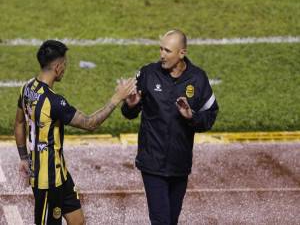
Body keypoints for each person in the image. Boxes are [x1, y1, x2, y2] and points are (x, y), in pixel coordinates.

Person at [14, 40, 136, 225]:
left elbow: (19, 122)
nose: (65, 69)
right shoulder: (54, 102)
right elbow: (90, 123)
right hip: (47, 183)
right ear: (57, 67)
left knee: (78, 221)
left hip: (60, 175)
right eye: (64, 65)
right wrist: (116, 99)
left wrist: (23, 156)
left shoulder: (27, 88)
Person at [121, 30, 219, 225]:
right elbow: (129, 113)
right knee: (161, 221)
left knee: (171, 220)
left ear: (182, 53)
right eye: (161, 49)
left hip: (180, 165)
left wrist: (192, 117)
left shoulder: (198, 78)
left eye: (167, 50)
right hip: (152, 163)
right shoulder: (148, 74)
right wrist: (131, 105)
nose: (162, 55)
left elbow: (210, 116)